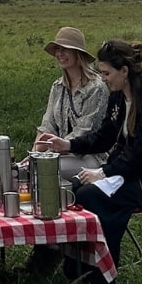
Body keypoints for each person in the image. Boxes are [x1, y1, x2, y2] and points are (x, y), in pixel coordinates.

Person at [39, 38, 142, 284]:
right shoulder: (119, 98)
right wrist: (68, 145)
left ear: (124, 72)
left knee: (96, 198)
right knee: (72, 190)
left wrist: (104, 173)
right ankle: (79, 273)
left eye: (106, 73)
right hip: (134, 171)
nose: (103, 79)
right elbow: (105, 137)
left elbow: (141, 155)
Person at [35, 26, 109, 180]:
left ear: (78, 53)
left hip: (90, 155)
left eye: (65, 49)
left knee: (46, 169)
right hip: (59, 152)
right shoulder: (58, 86)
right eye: (57, 49)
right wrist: (34, 153)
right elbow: (47, 125)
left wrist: (51, 151)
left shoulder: (96, 87)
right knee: (29, 167)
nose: (60, 54)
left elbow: (85, 131)